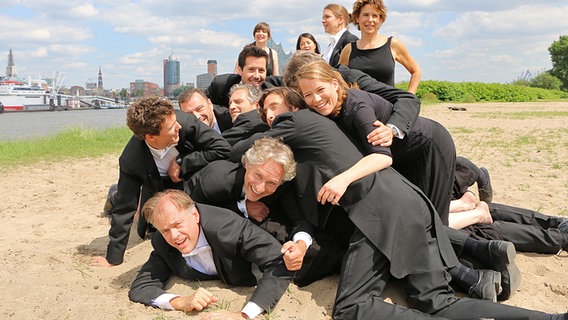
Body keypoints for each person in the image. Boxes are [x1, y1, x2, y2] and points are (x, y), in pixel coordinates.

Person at [230, 88, 568, 319]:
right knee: (436, 300)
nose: (269, 116)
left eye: (276, 107)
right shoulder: (302, 154)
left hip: (378, 214)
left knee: (351, 307)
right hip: (411, 203)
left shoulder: (297, 123)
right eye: (265, 110)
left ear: (295, 108)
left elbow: (240, 149)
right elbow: (302, 209)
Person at [91, 97, 231, 267]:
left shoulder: (184, 121)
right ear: (151, 137)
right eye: (172, 128)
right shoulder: (131, 160)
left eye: (176, 122)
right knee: (131, 206)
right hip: (159, 192)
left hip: (194, 180)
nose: (178, 126)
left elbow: (223, 148)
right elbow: (124, 207)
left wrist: (183, 161)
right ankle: (114, 194)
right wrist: (113, 258)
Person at [128, 189, 295, 319]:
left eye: (178, 224)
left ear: (195, 215)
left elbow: (278, 261)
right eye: (165, 230)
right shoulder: (163, 242)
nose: (174, 236)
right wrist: (180, 301)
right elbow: (140, 287)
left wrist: (244, 315)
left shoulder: (228, 228)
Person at [338, 0, 422, 94]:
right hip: (360, 107)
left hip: (389, 106)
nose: (370, 20)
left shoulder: (393, 45)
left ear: (380, 20)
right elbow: (339, 79)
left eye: (375, 16)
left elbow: (416, 71)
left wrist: (409, 97)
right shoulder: (348, 50)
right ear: (357, 18)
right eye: (365, 15)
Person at [206, 45, 283, 108]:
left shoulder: (271, 94)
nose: (257, 76)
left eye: (261, 71)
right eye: (251, 70)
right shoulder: (221, 86)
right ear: (240, 70)